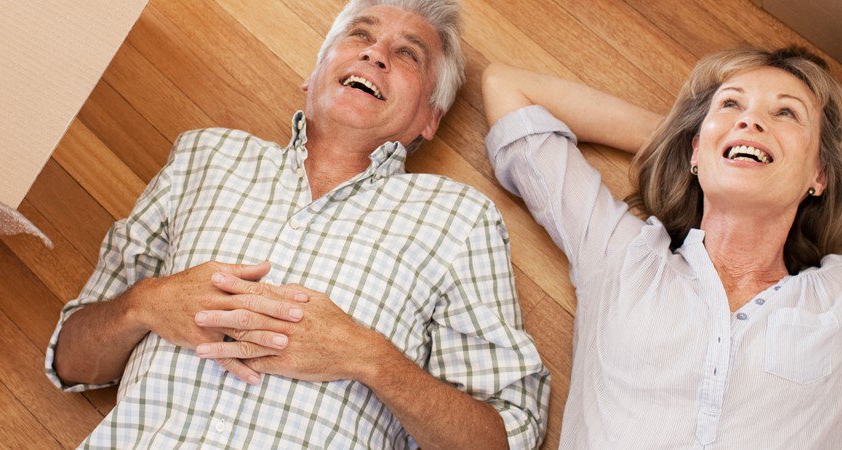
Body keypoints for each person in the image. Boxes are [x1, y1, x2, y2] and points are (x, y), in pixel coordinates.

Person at [480, 46, 842, 448]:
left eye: (784, 114)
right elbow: (508, 88)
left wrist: (838, 179)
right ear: (692, 151)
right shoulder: (621, 255)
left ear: (821, 173)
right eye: (731, 107)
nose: (750, 122)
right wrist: (698, 145)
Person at [45, 1, 548, 448]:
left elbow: (508, 436)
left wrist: (368, 357)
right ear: (315, 72)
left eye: (408, 54)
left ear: (430, 119)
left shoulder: (459, 218)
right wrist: (147, 302)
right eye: (359, 34)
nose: (376, 54)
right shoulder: (205, 155)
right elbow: (69, 360)